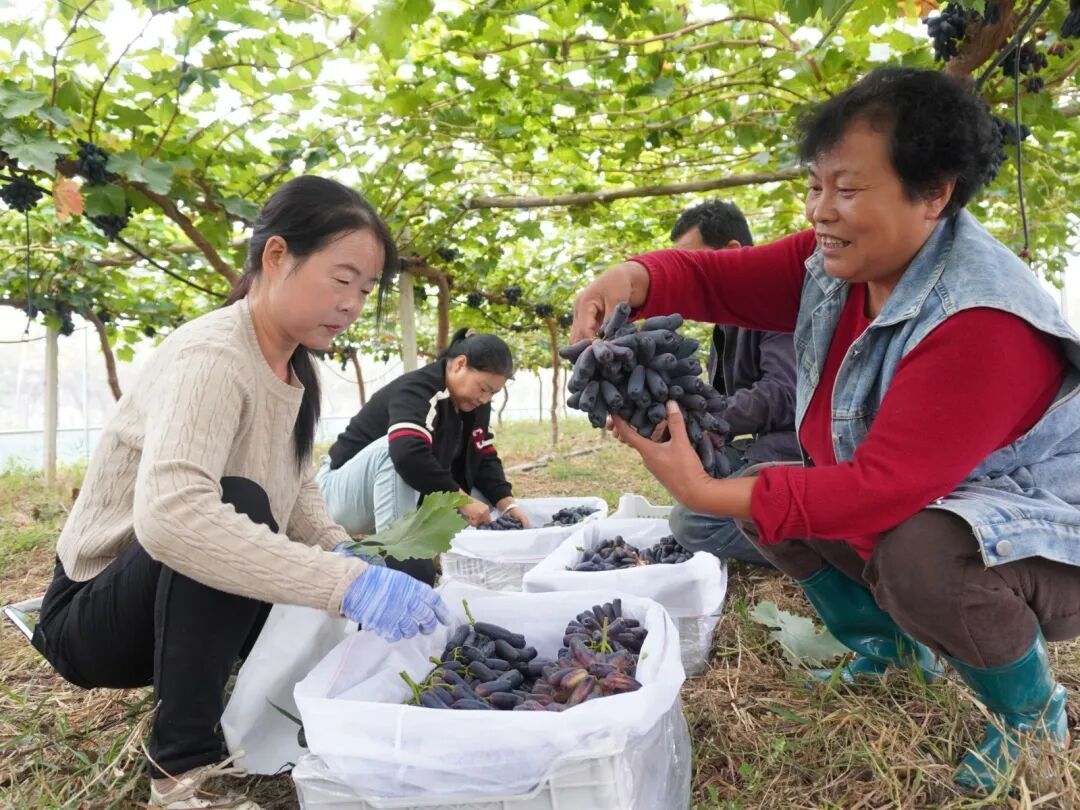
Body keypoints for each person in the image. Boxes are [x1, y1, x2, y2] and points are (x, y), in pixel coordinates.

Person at [571, 67, 1080, 792]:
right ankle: (889, 649)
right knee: (767, 494)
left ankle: (1030, 714)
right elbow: (717, 280)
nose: (820, 211)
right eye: (815, 186)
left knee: (917, 554)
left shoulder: (981, 320)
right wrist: (630, 278)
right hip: (953, 500)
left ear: (934, 193)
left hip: (1048, 535)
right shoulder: (838, 267)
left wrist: (702, 491)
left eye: (847, 189)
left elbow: (881, 490)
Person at [30, 176, 449, 810]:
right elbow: (172, 517)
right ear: (277, 256)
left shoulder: (296, 370)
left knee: (395, 563)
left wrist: (345, 553)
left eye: (365, 291)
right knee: (235, 507)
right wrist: (344, 584)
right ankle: (179, 772)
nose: (352, 305)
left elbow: (297, 490)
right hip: (95, 619)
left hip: (177, 604)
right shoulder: (213, 356)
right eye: (342, 280)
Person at [318, 328, 522, 585]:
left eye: (493, 393)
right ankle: (400, 561)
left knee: (483, 499)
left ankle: (446, 559)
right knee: (395, 449)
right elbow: (407, 454)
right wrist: (460, 499)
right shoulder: (418, 389)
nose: (485, 398)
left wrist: (508, 505)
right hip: (337, 498)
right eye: (483, 388)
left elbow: (484, 458)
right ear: (459, 364)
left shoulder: (474, 404)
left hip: (392, 497)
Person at [667, 200, 800, 565]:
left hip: (801, 452)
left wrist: (707, 417)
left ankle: (822, 542)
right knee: (686, 469)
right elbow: (724, 399)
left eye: (693, 265)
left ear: (731, 253)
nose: (686, 280)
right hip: (766, 447)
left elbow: (784, 393)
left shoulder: (778, 300)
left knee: (693, 523)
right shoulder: (727, 321)